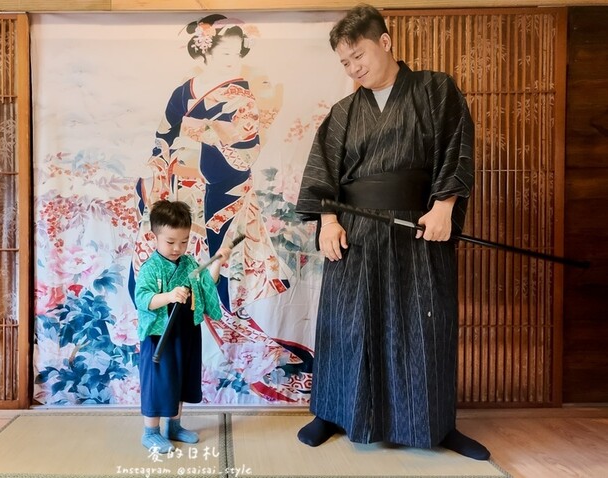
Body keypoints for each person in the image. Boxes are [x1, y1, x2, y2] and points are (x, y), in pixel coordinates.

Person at [294, 4, 490, 460]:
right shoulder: (343, 112)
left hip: (418, 230)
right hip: (356, 235)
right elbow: (323, 173)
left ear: (385, 42)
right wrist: (327, 221)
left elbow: (456, 147)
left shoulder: (436, 90)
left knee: (424, 325)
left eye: (358, 55)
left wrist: (444, 206)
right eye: (344, 62)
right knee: (348, 325)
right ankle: (333, 412)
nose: (353, 67)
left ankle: (436, 424)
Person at [129, 14, 305, 403]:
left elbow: (247, 146)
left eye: (236, 50)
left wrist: (204, 132)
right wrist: (160, 165)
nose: (231, 56)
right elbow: (163, 137)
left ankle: (237, 342)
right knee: (170, 261)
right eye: (222, 49)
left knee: (219, 268)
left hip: (221, 189)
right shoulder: (183, 91)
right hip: (180, 188)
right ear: (204, 49)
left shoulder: (241, 94)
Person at [135, 200, 230, 453]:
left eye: (184, 241)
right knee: (158, 382)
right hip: (160, 335)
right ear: (154, 235)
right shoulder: (150, 267)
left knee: (180, 378)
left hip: (187, 331)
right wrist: (168, 296)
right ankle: (150, 432)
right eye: (170, 242)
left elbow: (206, 286)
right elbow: (142, 298)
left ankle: (174, 426)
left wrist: (218, 262)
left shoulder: (189, 264)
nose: (178, 248)